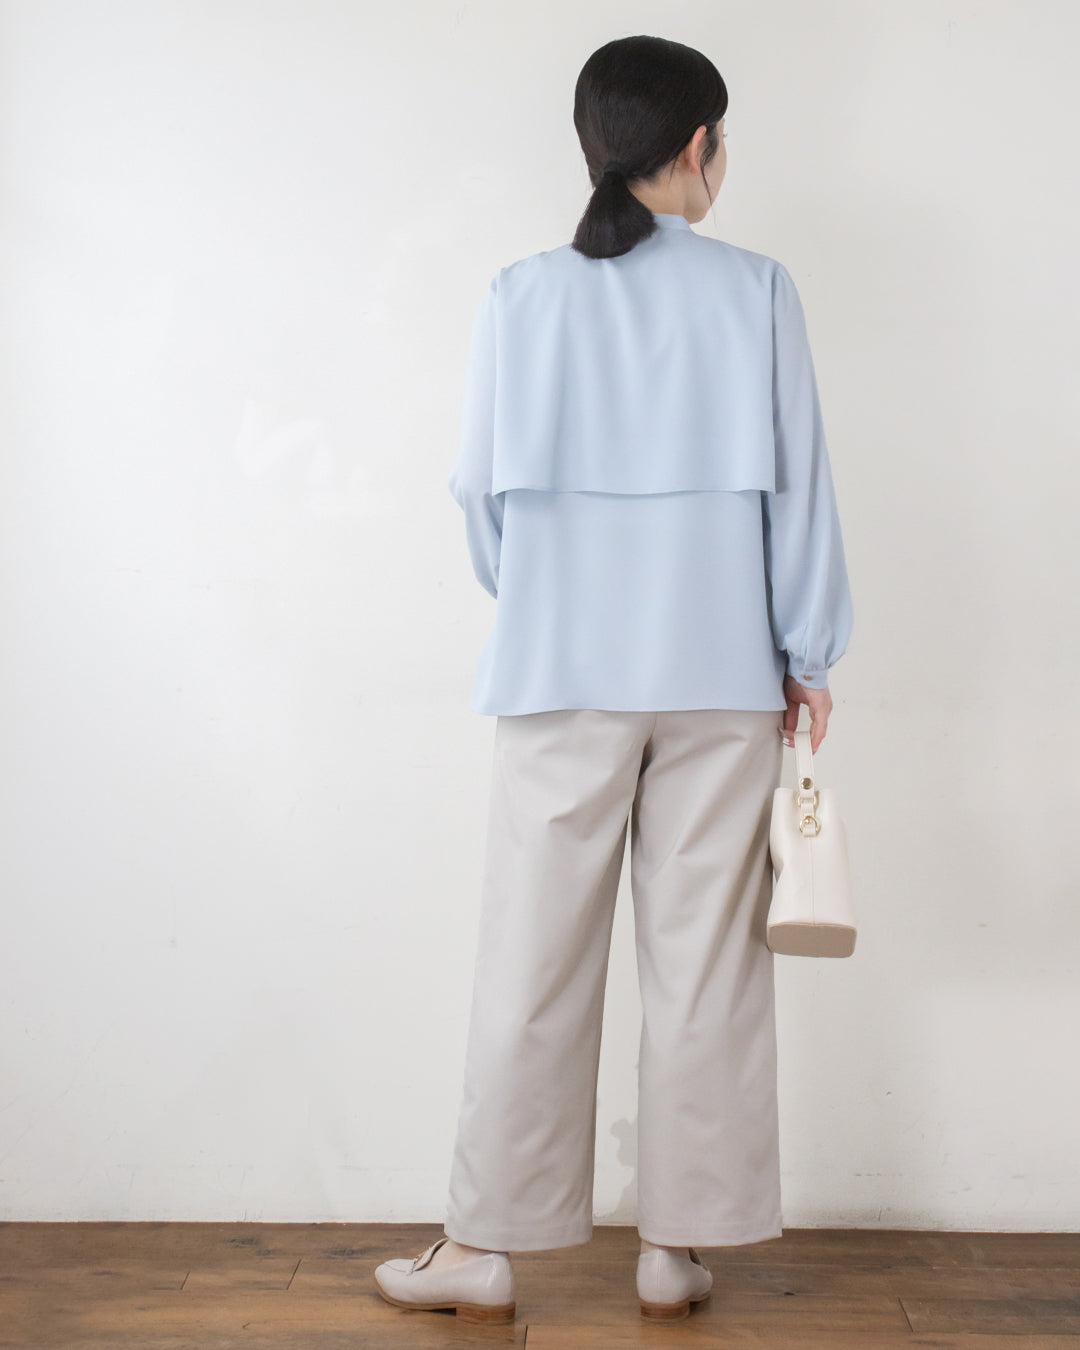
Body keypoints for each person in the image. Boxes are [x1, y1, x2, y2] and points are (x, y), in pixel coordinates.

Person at [374, 33, 853, 1326]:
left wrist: (545, 593)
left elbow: (478, 496)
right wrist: (807, 649)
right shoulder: (758, 291)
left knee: (530, 962)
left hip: (559, 669)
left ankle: (484, 1246)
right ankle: (676, 1245)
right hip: (722, 674)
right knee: (706, 967)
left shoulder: (521, 294)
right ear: (697, 146)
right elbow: (800, 486)